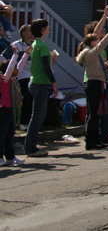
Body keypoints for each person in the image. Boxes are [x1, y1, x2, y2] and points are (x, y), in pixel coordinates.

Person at [76, 20, 108, 151]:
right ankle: (90, 141)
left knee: (97, 114)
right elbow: (105, 41)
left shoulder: (91, 52)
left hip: (98, 82)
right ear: (91, 42)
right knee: (94, 114)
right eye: (96, 41)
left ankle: (95, 139)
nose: (98, 42)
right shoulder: (91, 52)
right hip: (93, 84)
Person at [23, 18, 57, 157]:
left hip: (35, 82)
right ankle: (30, 148)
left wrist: (52, 60)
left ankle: (30, 146)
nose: (49, 27)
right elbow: (45, 67)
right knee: (37, 116)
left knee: (38, 115)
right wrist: (54, 83)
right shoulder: (42, 46)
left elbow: (44, 65)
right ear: (42, 29)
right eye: (47, 26)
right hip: (40, 84)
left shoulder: (35, 44)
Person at [84, 5, 108, 144]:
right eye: (101, 30)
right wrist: (105, 15)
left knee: (106, 109)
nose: (102, 32)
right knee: (94, 112)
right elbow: (97, 31)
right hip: (94, 81)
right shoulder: (91, 47)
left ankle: (103, 136)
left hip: (104, 78)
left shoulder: (101, 48)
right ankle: (93, 138)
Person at [0, 47, 29, 166]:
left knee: (9, 135)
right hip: (3, 110)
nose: (17, 69)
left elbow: (20, 66)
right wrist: (15, 54)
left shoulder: (13, 80)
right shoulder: (4, 80)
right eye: (14, 68)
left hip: (12, 111)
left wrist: (26, 54)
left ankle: (10, 157)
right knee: (1, 135)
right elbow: (11, 67)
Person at [10, 25, 33, 130]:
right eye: (29, 30)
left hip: (34, 76)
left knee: (34, 99)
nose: (31, 32)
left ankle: (31, 122)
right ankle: (23, 122)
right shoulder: (16, 45)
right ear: (23, 33)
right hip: (22, 76)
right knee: (27, 98)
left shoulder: (35, 45)